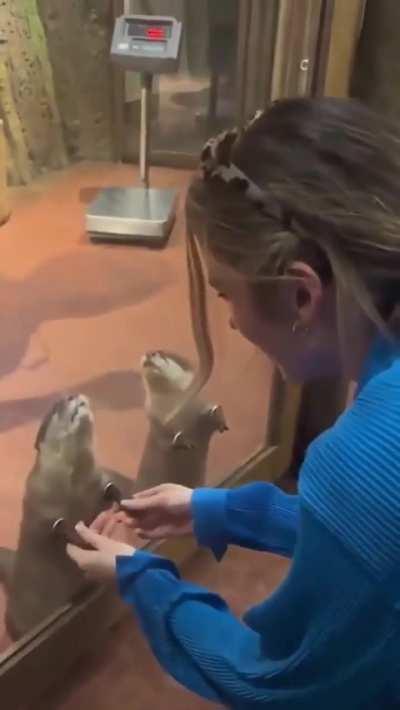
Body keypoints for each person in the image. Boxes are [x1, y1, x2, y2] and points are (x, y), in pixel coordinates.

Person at [67, 98, 400, 708]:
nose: (233, 322)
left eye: (227, 294)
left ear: (301, 295)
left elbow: (269, 684)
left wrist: (140, 578)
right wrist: (217, 510)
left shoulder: (361, 458)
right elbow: (379, 547)